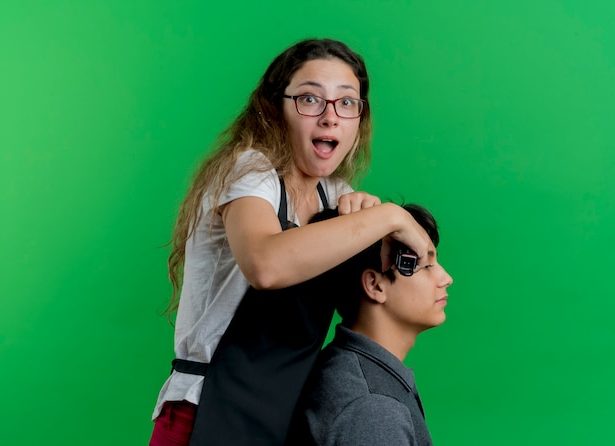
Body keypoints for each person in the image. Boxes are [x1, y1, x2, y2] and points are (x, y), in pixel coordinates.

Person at [148, 38, 431, 446]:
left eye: (346, 103)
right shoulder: (249, 173)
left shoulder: (334, 195)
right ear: (274, 108)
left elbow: (372, 305)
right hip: (204, 415)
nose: (330, 117)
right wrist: (389, 216)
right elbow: (266, 265)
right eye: (310, 99)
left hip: (280, 421)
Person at [287, 203, 453, 446]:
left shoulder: (357, 372)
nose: (446, 278)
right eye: (426, 266)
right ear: (375, 285)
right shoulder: (373, 409)